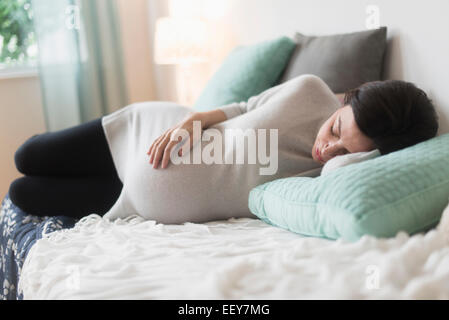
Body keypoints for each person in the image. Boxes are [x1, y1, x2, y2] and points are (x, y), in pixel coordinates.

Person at [9, 75, 439, 223]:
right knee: (27, 156)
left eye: (346, 149)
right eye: (335, 129)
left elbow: (338, 172)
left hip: (132, 204)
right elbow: (242, 106)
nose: (327, 149)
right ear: (347, 98)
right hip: (151, 130)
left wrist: (360, 152)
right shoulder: (309, 90)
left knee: (21, 194)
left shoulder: (333, 175)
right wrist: (191, 122)